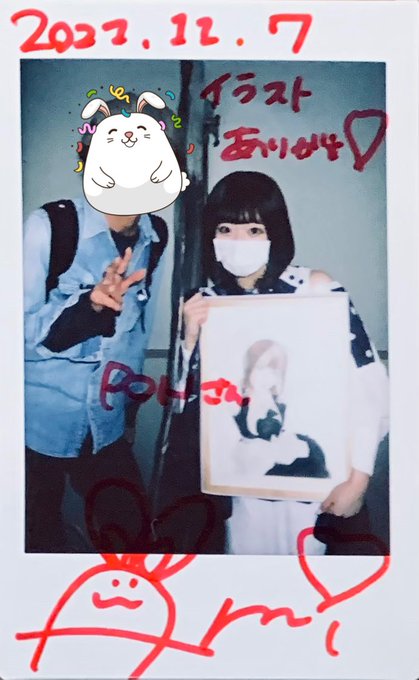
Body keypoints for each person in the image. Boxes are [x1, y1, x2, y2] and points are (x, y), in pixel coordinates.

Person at [175, 170, 388, 555]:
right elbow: (184, 409)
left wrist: (358, 480)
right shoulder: (205, 302)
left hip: (318, 489)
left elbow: (370, 389)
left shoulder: (316, 289)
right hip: (237, 491)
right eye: (225, 229)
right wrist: (188, 343)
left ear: (275, 233)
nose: (238, 241)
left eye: (254, 230)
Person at [24, 188, 167, 553]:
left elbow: (137, 336)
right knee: (38, 543)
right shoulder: (51, 225)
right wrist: (87, 310)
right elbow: (16, 335)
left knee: (136, 542)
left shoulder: (156, 235)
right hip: (36, 427)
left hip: (107, 423)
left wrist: (130, 411)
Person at [231, 339, 329, 481]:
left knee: (313, 453)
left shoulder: (276, 400)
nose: (267, 377)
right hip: (253, 459)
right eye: (261, 368)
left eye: (274, 372)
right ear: (249, 368)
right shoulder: (239, 400)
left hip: (279, 453)